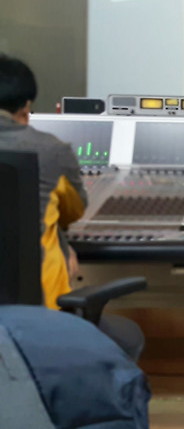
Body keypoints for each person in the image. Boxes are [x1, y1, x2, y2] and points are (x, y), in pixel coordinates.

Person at [0, 54, 143, 359]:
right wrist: (61, 240)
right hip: (40, 318)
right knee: (128, 337)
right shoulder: (50, 150)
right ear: (25, 108)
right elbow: (73, 211)